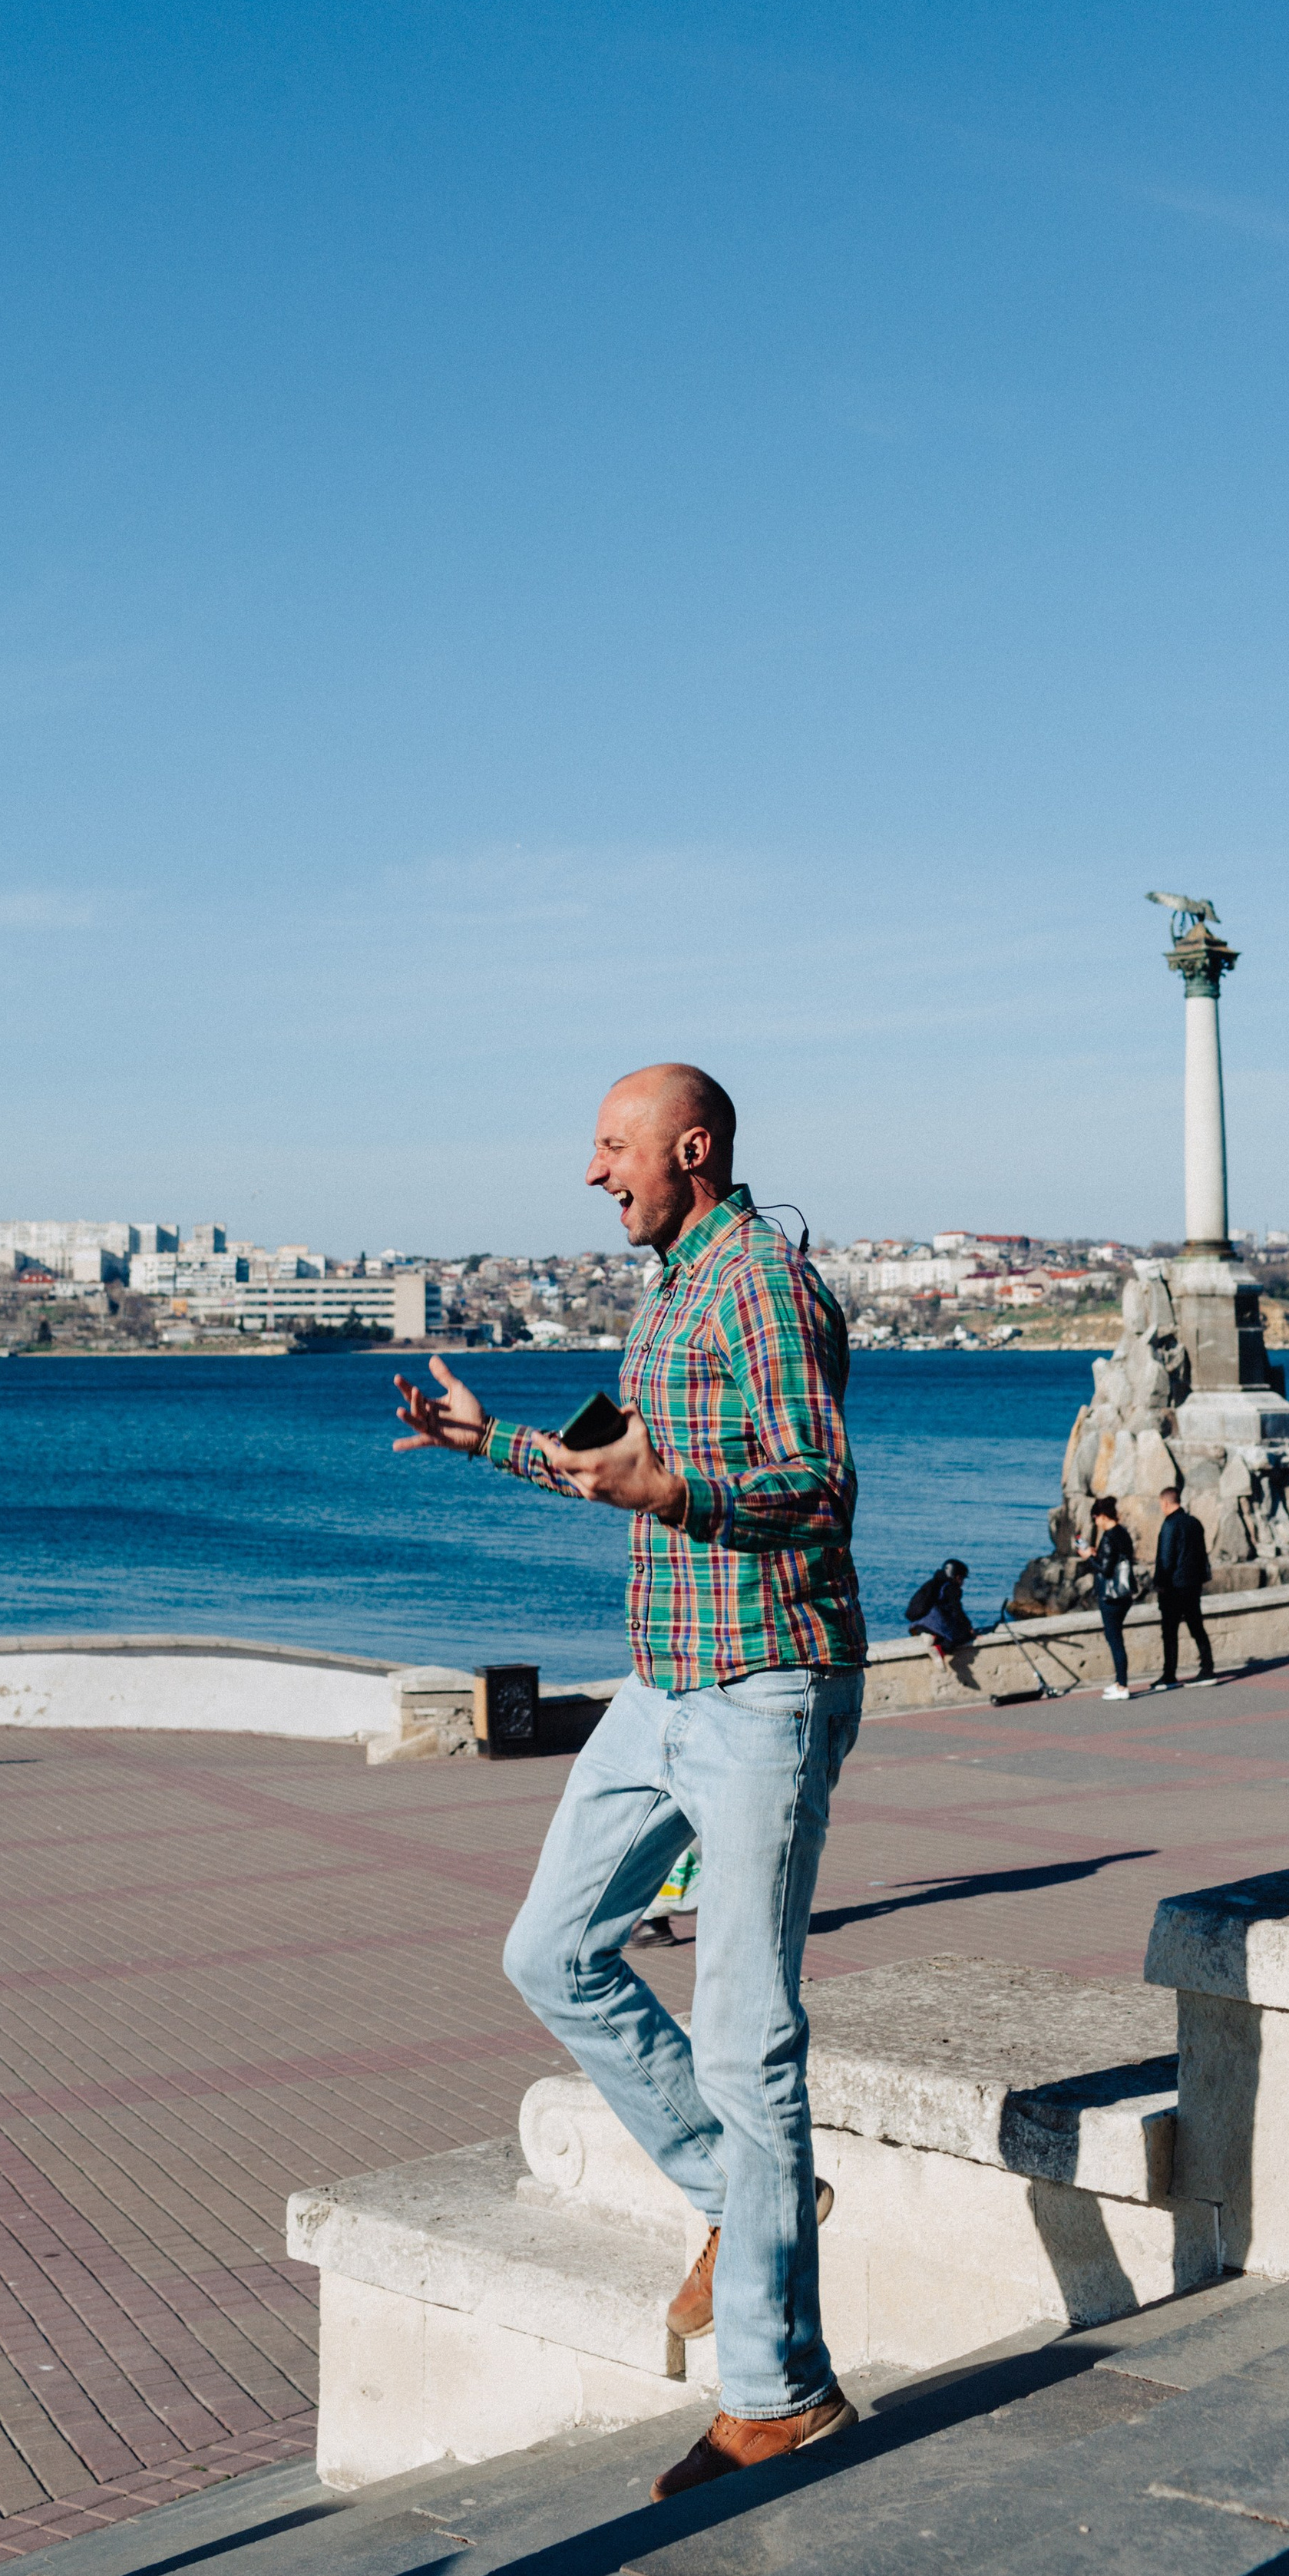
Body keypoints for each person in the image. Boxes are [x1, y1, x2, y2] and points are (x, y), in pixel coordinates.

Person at [394, 1062, 865, 2502]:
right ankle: (743, 2201)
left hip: (767, 1687)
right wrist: (500, 1450)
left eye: (614, 1148)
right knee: (549, 1951)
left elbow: (817, 1485)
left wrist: (674, 1495)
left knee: (746, 2037)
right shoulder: (665, 1287)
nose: (595, 1171)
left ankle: (779, 2392)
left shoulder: (764, 1291)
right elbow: (617, 1458)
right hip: (663, 1684)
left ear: (693, 1149)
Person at [1153, 1485, 1217, 1689]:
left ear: (1165, 1503)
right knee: (1196, 1626)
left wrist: (1160, 1584)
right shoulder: (1194, 1523)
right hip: (1193, 1584)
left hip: (1174, 1587)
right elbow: (1201, 1554)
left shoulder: (1169, 1526)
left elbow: (1166, 1558)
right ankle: (1207, 1668)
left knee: (1170, 1631)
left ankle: (1169, 1674)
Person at [1077, 1498, 1138, 1699]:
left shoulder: (1109, 1537)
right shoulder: (1122, 1533)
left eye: (1095, 1519)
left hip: (1112, 1596)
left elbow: (1105, 1569)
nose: (1095, 1523)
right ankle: (1120, 1681)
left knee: (1115, 1639)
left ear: (1102, 1516)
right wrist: (1098, 1554)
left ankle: (1123, 1687)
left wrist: (1089, 1557)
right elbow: (1118, 1559)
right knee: (1116, 1637)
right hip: (1125, 1593)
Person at [904, 1559, 973, 1657]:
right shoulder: (951, 1588)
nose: (963, 1583)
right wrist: (969, 1628)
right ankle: (939, 1648)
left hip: (916, 1626)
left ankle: (930, 1638)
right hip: (934, 1625)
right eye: (962, 1579)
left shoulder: (931, 1584)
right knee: (962, 1636)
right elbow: (957, 1610)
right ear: (957, 1577)